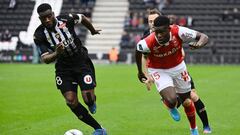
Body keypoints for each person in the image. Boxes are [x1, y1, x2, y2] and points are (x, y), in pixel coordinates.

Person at [33, 3, 107, 135]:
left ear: (53, 14)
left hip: (81, 61)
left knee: (88, 98)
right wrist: (57, 53)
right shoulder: (39, 34)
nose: (47, 20)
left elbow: (82, 17)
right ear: (40, 19)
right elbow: (45, 59)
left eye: (49, 16)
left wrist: (92, 30)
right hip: (63, 68)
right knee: (71, 101)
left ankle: (91, 102)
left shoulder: (67, 19)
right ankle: (99, 129)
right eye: (43, 18)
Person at [136, 15, 209, 135]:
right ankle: (169, 105)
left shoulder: (179, 31)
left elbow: (203, 36)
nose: (158, 35)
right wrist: (140, 72)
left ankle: (193, 129)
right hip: (158, 70)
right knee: (171, 99)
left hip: (178, 67)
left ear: (169, 29)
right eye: (156, 32)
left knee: (186, 100)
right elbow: (138, 50)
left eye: (161, 32)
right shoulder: (149, 41)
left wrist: (199, 44)